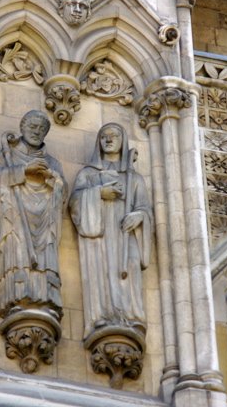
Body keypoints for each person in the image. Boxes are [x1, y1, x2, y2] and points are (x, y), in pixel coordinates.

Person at [69, 123, 152, 339]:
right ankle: (102, 316)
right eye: (104, 136)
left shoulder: (134, 178)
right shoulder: (87, 174)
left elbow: (144, 207)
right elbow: (75, 202)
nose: (108, 139)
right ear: (99, 142)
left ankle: (131, 317)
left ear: (122, 141)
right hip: (100, 236)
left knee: (131, 264)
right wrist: (98, 194)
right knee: (102, 269)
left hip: (125, 234)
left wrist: (138, 216)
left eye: (114, 136)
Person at [0, 110, 67, 320]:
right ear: (22, 128)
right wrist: (24, 170)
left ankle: (47, 300)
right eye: (32, 127)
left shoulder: (52, 163)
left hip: (45, 221)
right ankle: (16, 298)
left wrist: (51, 178)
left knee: (46, 257)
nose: (36, 131)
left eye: (41, 129)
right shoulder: (7, 156)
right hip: (17, 216)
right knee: (17, 252)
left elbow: (62, 193)